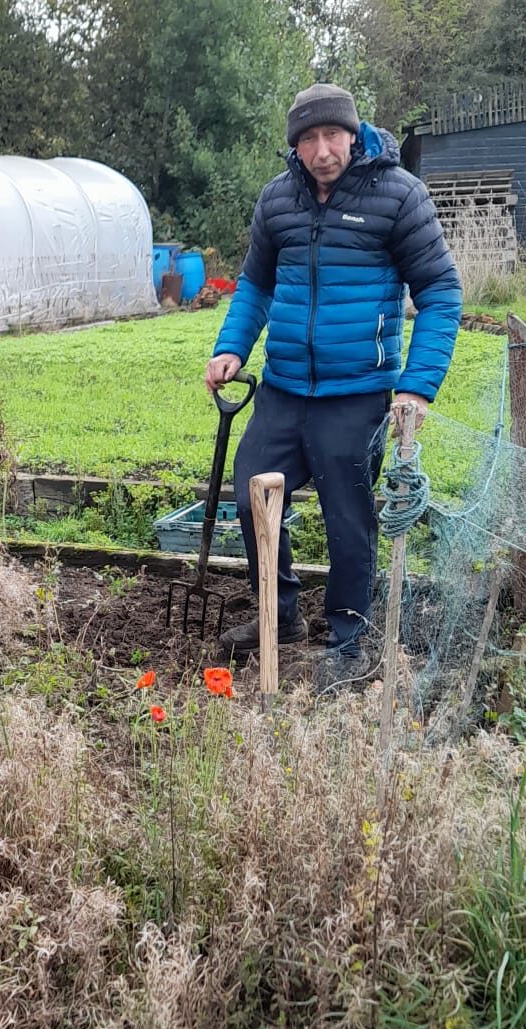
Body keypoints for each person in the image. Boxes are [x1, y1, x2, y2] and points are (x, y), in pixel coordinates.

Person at [205, 82, 461, 681]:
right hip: (285, 387)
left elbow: (441, 294)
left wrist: (417, 385)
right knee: (250, 497)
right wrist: (231, 348)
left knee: (348, 519)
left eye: (332, 136)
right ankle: (282, 611)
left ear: (353, 133)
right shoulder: (277, 201)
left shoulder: (399, 196)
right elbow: (256, 286)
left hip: (358, 393)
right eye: (309, 139)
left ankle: (349, 642)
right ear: (295, 145)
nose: (322, 150)